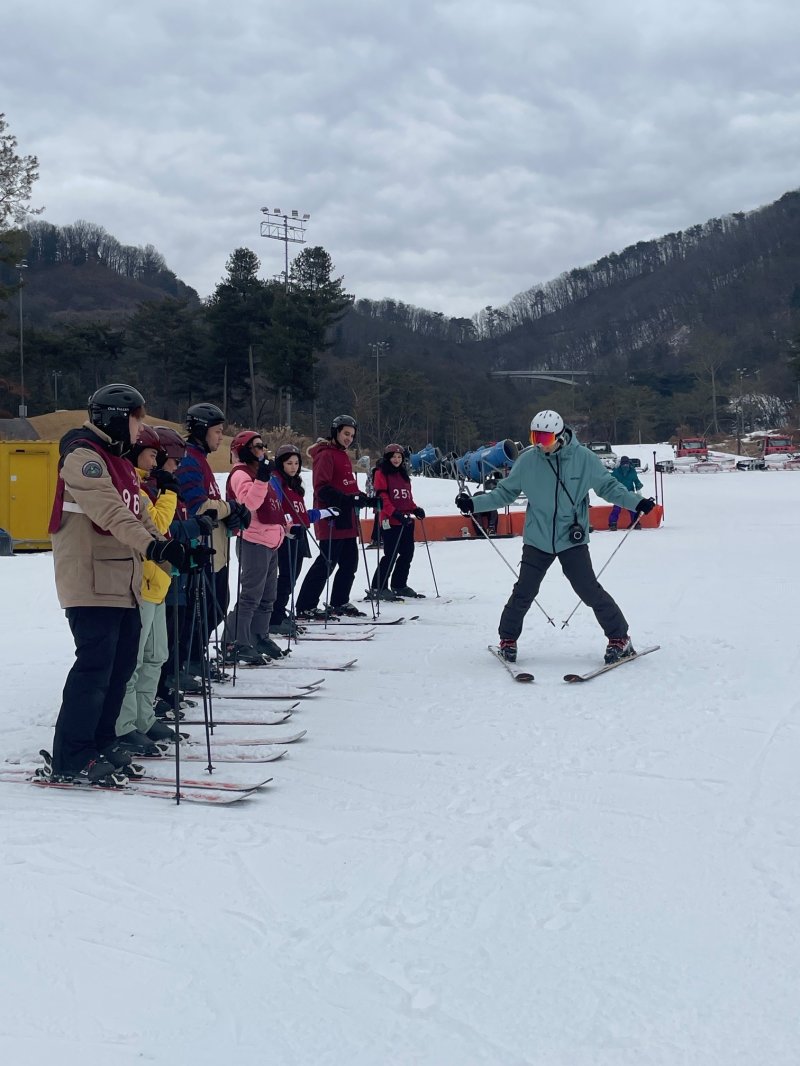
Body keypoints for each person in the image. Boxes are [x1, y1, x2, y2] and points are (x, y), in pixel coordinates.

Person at [47, 384, 199, 785]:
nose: (140, 430)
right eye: (137, 421)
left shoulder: (119, 462)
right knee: (94, 670)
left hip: (123, 582)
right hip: (92, 579)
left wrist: (172, 547)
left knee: (119, 670)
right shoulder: (83, 456)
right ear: (116, 417)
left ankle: (99, 743)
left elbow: (142, 513)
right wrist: (153, 547)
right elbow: (110, 511)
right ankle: (71, 755)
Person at [455, 409, 655, 666]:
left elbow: (609, 487)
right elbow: (504, 493)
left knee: (588, 589)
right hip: (537, 538)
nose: (539, 443)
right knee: (524, 590)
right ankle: (507, 639)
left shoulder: (583, 459)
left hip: (572, 538)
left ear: (560, 436)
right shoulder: (528, 461)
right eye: (534, 437)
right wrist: (473, 503)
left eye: (545, 438)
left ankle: (619, 638)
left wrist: (636, 502)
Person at [176, 402, 249, 680]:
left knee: (216, 605)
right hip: (200, 549)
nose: (221, 437)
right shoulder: (188, 459)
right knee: (201, 610)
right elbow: (198, 506)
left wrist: (229, 514)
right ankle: (189, 660)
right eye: (217, 431)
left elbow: (212, 504)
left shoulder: (201, 460)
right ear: (201, 430)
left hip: (217, 549)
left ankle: (195, 656)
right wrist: (229, 508)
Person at [294, 415, 378, 620]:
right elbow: (321, 489)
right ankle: (305, 606)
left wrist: (362, 498)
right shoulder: (325, 455)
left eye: (352, 435)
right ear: (336, 432)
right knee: (326, 563)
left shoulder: (343, 454)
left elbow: (347, 485)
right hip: (332, 517)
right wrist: (348, 499)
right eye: (345, 433)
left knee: (350, 563)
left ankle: (339, 601)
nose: (349, 438)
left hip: (347, 518)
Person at [222, 431, 287, 663]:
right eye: (257, 446)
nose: (262, 450)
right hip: (253, 540)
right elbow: (248, 504)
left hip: (270, 540)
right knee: (251, 595)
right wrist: (261, 479)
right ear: (244, 449)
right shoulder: (241, 474)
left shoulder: (259, 473)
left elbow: (270, 505)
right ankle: (233, 641)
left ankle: (258, 635)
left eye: (263, 446)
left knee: (268, 595)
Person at [268, 443, 339, 635]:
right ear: (280, 464)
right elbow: (277, 512)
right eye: (289, 463)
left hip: (299, 537)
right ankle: (274, 616)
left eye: (296, 463)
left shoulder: (295, 486)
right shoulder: (276, 482)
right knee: (285, 578)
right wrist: (289, 528)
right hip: (285, 538)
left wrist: (325, 512)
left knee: (291, 578)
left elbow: (302, 515)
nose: (293, 467)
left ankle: (279, 612)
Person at [369, 443, 426, 600]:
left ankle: (399, 584)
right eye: (393, 456)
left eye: (399, 457)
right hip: (390, 520)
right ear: (388, 458)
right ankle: (378, 587)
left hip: (405, 520)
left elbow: (406, 497)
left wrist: (415, 509)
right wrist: (394, 513)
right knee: (391, 554)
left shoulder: (403, 475)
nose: (396, 459)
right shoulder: (382, 473)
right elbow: (383, 497)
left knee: (407, 554)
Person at [608, 456, 644, 530]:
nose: (625, 466)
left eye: (626, 464)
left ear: (629, 464)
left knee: (633, 509)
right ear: (621, 464)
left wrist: (638, 489)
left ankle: (635, 523)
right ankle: (613, 524)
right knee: (616, 509)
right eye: (623, 464)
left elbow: (636, 481)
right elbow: (610, 481)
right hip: (619, 493)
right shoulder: (616, 472)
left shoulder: (632, 471)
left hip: (630, 493)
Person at [473, 471, 502, 536]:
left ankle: (491, 528)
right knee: (476, 514)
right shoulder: (477, 503)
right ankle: (481, 531)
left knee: (493, 510)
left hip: (486, 503)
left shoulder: (489, 501)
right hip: (478, 505)